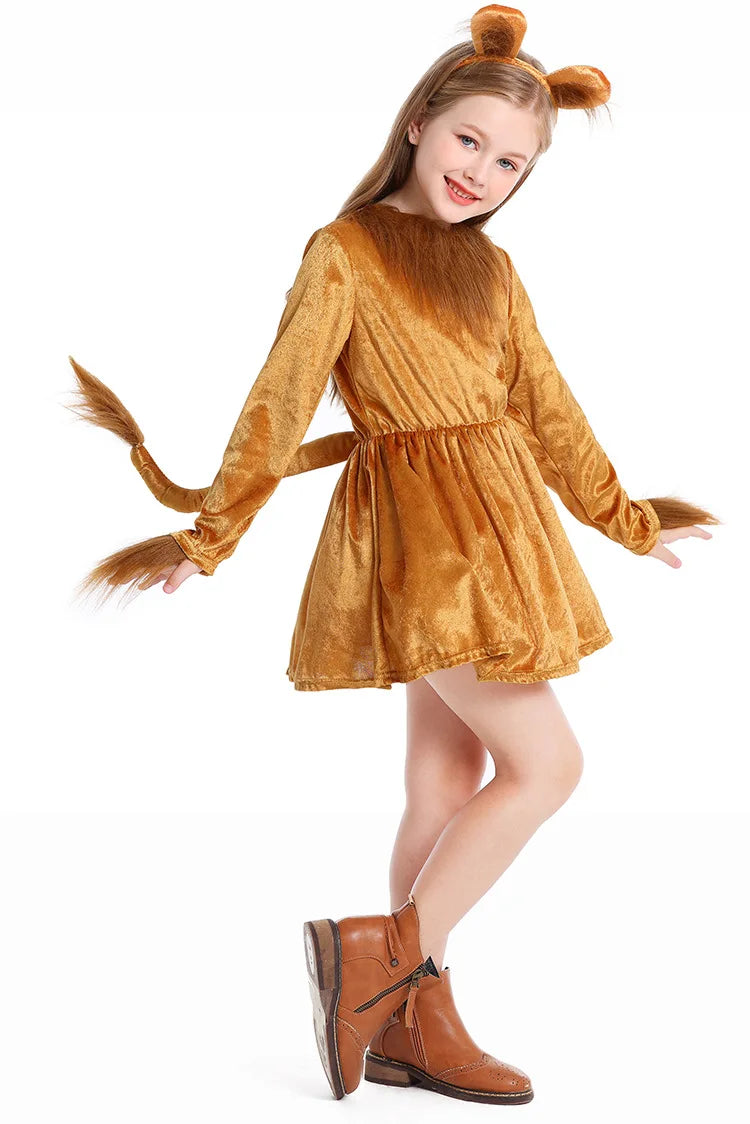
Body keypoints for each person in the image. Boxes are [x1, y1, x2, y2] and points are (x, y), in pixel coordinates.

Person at [66, 4, 720, 1105]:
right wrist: (212, 533)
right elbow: (279, 401)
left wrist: (629, 519)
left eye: (511, 162)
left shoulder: (493, 271)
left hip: (498, 529)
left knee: (447, 777)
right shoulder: (347, 251)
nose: (483, 172)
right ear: (419, 122)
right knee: (550, 767)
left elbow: (547, 405)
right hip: (429, 543)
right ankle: (380, 952)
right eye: (469, 139)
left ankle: (413, 1021)